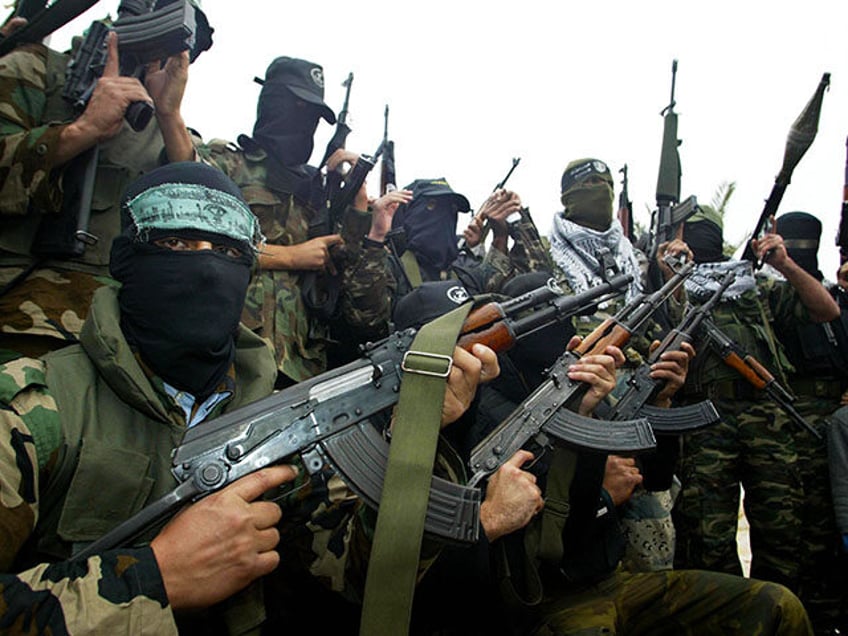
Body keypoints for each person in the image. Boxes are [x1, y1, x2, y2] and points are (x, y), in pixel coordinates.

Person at [0, 161, 504, 634]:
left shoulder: (283, 411)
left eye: (228, 252)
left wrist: (420, 433)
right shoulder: (33, 407)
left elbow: (358, 573)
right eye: (178, 243)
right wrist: (151, 581)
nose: (207, 268)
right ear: (127, 260)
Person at [0, 1, 204, 361]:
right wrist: (82, 131)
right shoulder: (36, 68)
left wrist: (169, 116)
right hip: (20, 325)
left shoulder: (168, 128)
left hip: (122, 343)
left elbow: (212, 226)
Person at [196, 56, 397, 384]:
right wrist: (291, 256)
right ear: (272, 102)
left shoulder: (319, 194)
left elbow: (362, 311)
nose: (305, 125)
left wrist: (357, 206)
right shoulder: (227, 166)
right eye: (297, 108)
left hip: (300, 375)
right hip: (224, 359)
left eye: (314, 117)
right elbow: (192, 245)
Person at [673, 207, 840, 596]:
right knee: (707, 536)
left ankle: (779, 612)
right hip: (704, 420)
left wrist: (785, 265)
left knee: (782, 531)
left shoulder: (756, 287)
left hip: (767, 417)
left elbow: (826, 309)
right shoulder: (673, 286)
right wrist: (670, 273)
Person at [548, 157, 692, 572]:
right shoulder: (546, 254)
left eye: (607, 182)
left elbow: (671, 326)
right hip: (579, 410)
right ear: (567, 195)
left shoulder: (638, 260)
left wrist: (674, 284)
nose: (602, 190)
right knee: (579, 539)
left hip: (641, 407)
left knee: (652, 541)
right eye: (591, 183)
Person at [770, 211, 848, 632]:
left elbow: (832, 316)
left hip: (834, 429)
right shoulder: (774, 300)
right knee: (785, 532)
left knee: (828, 529)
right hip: (787, 425)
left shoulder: (829, 295)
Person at [386, 178, 552, 307]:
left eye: (451, 210)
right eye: (431, 205)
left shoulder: (466, 273)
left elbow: (537, 287)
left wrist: (506, 230)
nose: (444, 217)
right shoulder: (390, 268)